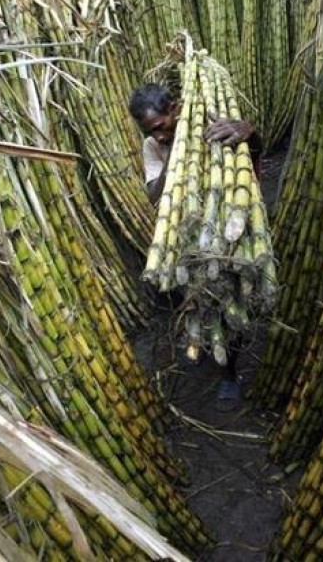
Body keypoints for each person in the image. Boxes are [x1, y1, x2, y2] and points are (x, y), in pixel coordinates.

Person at [129, 83, 260, 411]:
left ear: (173, 109)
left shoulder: (210, 123)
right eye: (150, 131)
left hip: (223, 225)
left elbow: (252, 154)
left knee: (225, 297)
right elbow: (154, 194)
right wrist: (172, 151)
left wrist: (250, 131)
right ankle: (200, 344)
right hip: (184, 233)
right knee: (194, 297)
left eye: (160, 126)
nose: (158, 135)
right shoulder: (154, 146)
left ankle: (229, 373)